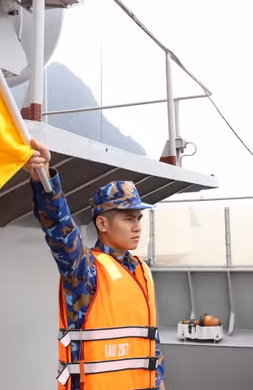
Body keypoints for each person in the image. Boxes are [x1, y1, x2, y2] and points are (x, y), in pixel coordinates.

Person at [24, 139, 165, 390]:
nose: (137, 227)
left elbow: (151, 346)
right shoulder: (84, 269)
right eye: (129, 218)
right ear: (102, 224)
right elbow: (60, 229)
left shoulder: (141, 271)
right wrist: (44, 179)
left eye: (139, 218)